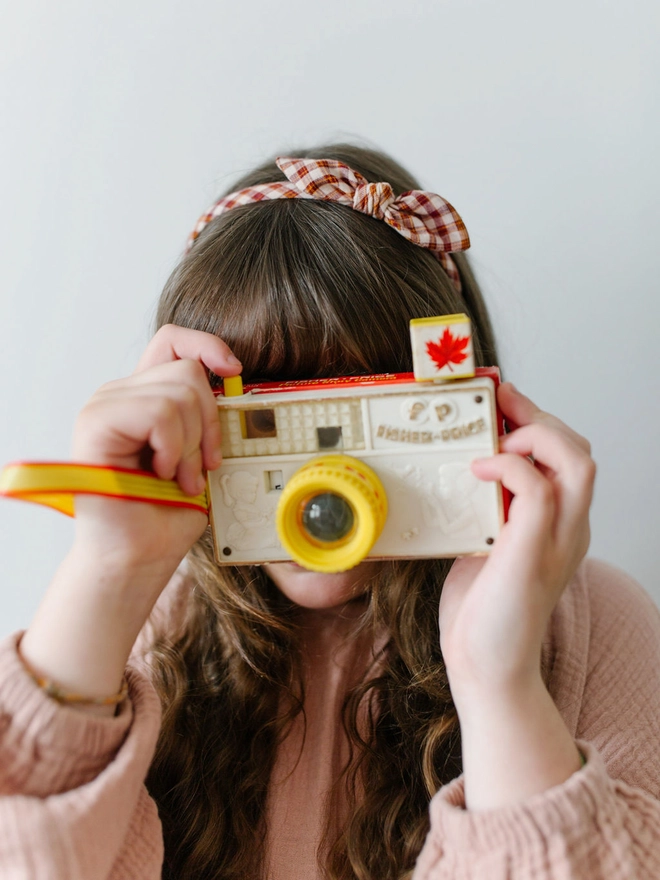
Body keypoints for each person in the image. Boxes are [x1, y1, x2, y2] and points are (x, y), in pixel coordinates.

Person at [1, 144, 660, 880]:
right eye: (265, 428)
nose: (314, 489)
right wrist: (109, 573)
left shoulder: (591, 624)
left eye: (357, 424)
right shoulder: (148, 628)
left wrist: (498, 679)